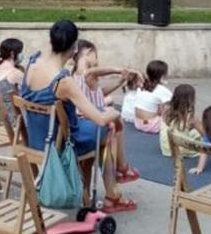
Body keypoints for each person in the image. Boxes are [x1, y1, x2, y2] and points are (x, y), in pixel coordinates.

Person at [20, 20, 134, 213]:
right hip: (60, 144)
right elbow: (98, 118)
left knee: (97, 131)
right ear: (74, 49)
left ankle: (95, 189)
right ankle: (112, 192)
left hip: (34, 138)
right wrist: (115, 113)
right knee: (108, 129)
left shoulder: (33, 62)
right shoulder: (63, 81)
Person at [70, 40, 138, 185]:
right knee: (115, 122)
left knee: (113, 121)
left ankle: (120, 171)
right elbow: (93, 71)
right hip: (93, 121)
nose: (97, 60)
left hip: (88, 119)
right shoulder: (86, 73)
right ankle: (121, 168)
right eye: (95, 54)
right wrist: (117, 69)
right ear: (87, 53)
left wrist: (119, 83)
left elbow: (99, 93)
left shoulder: (74, 74)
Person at [124, 60, 171, 134]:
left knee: (157, 104)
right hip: (151, 126)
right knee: (172, 110)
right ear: (162, 76)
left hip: (138, 123)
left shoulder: (142, 86)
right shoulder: (163, 90)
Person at [159, 84, 202, 158]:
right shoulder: (191, 117)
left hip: (166, 148)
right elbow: (204, 134)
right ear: (191, 99)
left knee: (182, 129)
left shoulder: (166, 109)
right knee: (198, 134)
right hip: (180, 150)